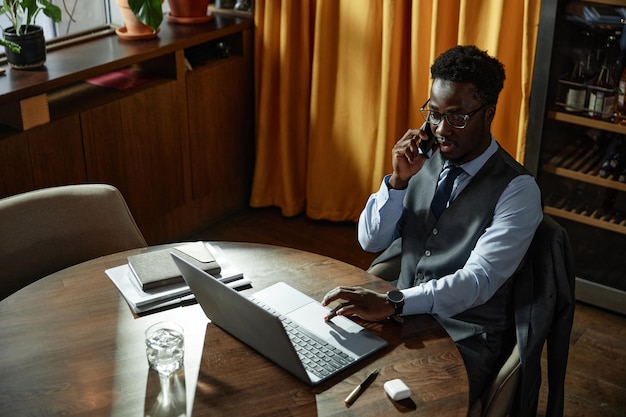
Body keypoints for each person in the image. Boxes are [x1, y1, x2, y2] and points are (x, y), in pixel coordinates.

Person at [322, 45, 543, 407]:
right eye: (434, 114)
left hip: (463, 338)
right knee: (330, 378)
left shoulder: (518, 190)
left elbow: (478, 281)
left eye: (457, 118)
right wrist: (397, 183)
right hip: (402, 320)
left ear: (488, 113)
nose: (441, 130)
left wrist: (394, 302)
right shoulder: (420, 160)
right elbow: (370, 241)